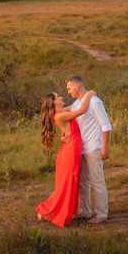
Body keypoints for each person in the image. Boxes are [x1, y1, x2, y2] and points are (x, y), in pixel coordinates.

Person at [35, 89, 95, 227]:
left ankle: (61, 210)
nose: (61, 97)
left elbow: (76, 106)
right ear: (55, 102)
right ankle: (44, 209)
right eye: (58, 97)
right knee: (66, 184)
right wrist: (90, 94)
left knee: (71, 182)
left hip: (73, 149)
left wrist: (83, 95)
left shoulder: (63, 112)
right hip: (70, 152)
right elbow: (80, 111)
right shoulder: (59, 116)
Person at [64, 75, 112, 223]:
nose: (68, 92)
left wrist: (105, 146)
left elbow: (105, 125)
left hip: (93, 147)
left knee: (97, 181)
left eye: (69, 88)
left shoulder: (94, 102)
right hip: (81, 149)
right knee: (82, 181)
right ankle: (85, 211)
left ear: (77, 86)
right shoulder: (77, 104)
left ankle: (101, 214)